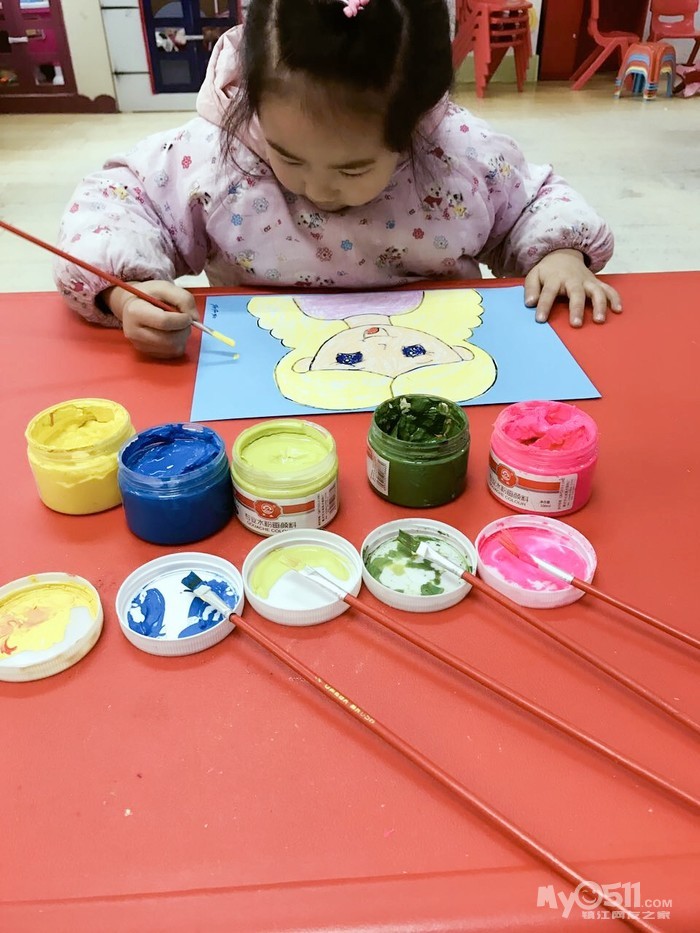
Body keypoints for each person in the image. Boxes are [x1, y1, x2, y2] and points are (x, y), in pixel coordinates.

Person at [54, 0, 621, 359]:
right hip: (258, 378)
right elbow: (114, 203)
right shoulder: (214, 157)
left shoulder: (460, 157)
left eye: (353, 169)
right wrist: (125, 292)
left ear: (417, 125)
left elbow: (534, 202)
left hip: (438, 369)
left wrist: (559, 254)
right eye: (287, 157)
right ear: (252, 101)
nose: (319, 189)